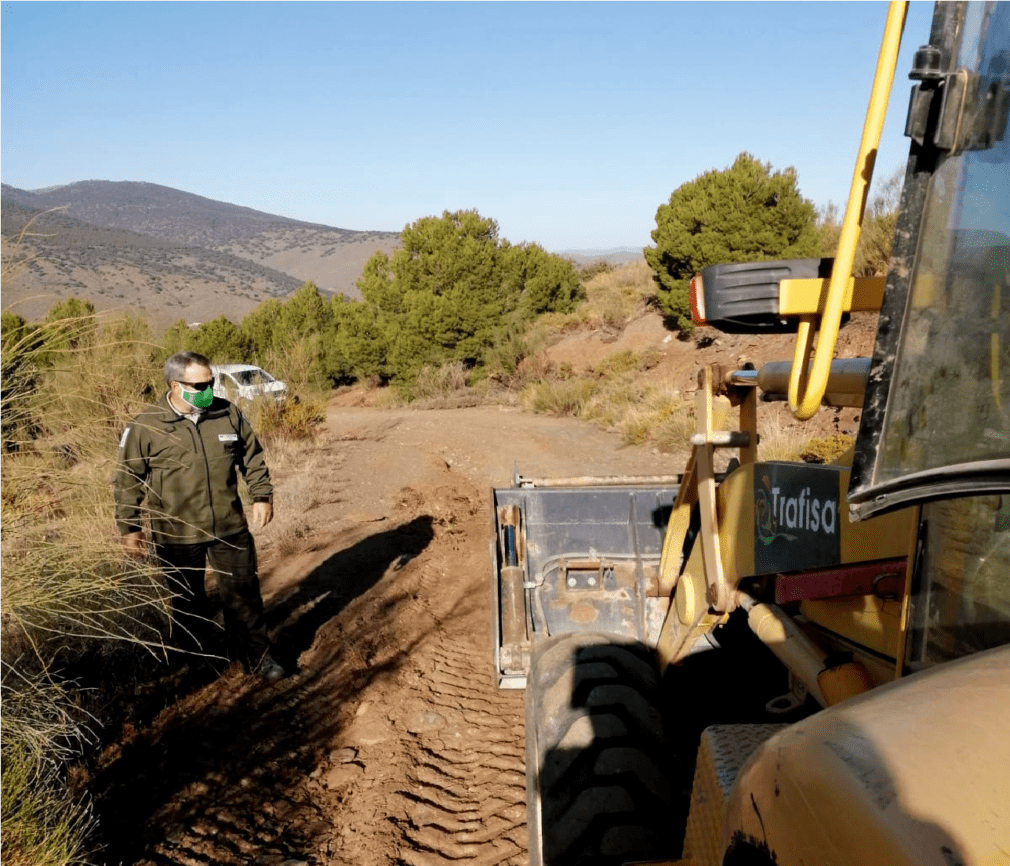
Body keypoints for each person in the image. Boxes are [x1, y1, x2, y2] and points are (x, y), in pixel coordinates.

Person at [114, 350, 286, 681]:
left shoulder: (227, 414)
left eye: (211, 382)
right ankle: (200, 666)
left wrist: (262, 496)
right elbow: (127, 480)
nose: (209, 390)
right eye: (200, 385)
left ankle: (257, 659)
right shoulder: (145, 426)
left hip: (229, 525)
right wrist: (130, 527)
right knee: (187, 604)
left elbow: (252, 457)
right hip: (176, 533)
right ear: (175, 386)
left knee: (244, 596)